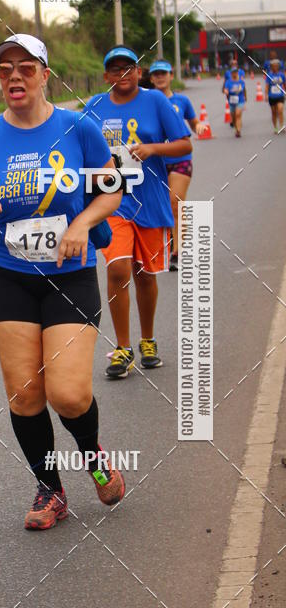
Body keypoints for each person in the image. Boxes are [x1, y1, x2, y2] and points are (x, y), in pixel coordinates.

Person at [0, 33, 124, 530]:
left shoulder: (78, 128)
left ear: (46, 74)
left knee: (67, 395)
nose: (15, 77)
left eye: (26, 68)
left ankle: (91, 454)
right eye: (5, 70)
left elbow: (111, 190)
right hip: (8, 276)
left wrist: (82, 224)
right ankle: (51, 490)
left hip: (70, 274)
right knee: (25, 395)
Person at [83, 45, 191, 379]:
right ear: (106, 76)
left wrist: (153, 148)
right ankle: (123, 348)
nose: (123, 74)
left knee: (144, 273)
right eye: (115, 69)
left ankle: (147, 340)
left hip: (150, 199)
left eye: (129, 68)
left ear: (138, 72)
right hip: (113, 200)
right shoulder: (94, 106)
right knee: (118, 269)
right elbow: (79, 148)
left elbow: (184, 143)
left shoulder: (156, 101)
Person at [149, 59, 204, 271]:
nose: (160, 77)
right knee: (161, 206)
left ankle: (177, 251)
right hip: (155, 164)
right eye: (156, 74)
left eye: (164, 73)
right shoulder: (146, 102)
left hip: (180, 162)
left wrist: (199, 126)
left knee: (175, 203)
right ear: (151, 78)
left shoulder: (182, 100)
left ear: (171, 75)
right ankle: (169, 243)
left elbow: (192, 122)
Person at [223, 66, 246, 137]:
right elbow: (225, 89)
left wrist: (245, 98)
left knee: (238, 114)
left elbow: (241, 89)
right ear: (231, 73)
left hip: (240, 100)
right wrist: (226, 91)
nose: (234, 74)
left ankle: (238, 130)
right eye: (233, 72)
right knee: (233, 118)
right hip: (232, 101)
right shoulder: (228, 82)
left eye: (236, 72)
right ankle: (236, 129)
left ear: (237, 73)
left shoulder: (241, 82)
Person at [264, 57, 286, 133]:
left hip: (280, 96)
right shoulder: (269, 75)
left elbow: (284, 84)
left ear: (278, 66)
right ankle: (275, 127)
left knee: (280, 110)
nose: (275, 67)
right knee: (274, 112)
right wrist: (266, 95)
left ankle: (282, 126)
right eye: (273, 66)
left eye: (276, 66)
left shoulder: (282, 75)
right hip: (272, 96)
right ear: (271, 67)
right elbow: (267, 86)